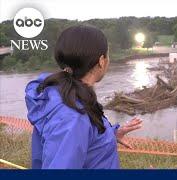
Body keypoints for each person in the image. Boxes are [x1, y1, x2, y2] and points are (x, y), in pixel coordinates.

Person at [25, 25, 142, 169]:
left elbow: (79, 140)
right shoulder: (73, 117)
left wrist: (111, 135)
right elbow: (72, 133)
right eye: (108, 55)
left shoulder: (64, 95)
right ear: (101, 61)